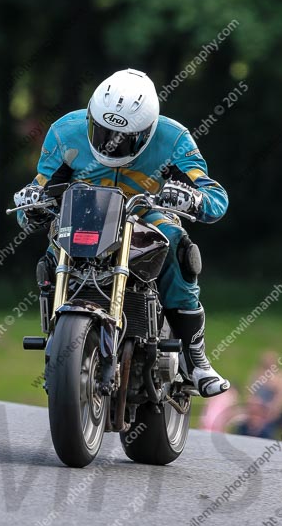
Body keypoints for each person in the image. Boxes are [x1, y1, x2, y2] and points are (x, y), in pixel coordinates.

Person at [13, 68, 229, 397]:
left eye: (123, 138)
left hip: (146, 212)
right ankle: (57, 336)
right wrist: (32, 204)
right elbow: (38, 190)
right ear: (90, 117)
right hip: (84, 213)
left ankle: (194, 356)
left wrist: (192, 199)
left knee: (180, 246)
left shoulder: (175, 139)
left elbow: (215, 197)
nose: (110, 144)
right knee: (51, 252)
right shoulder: (64, 132)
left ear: (147, 131)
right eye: (101, 132)